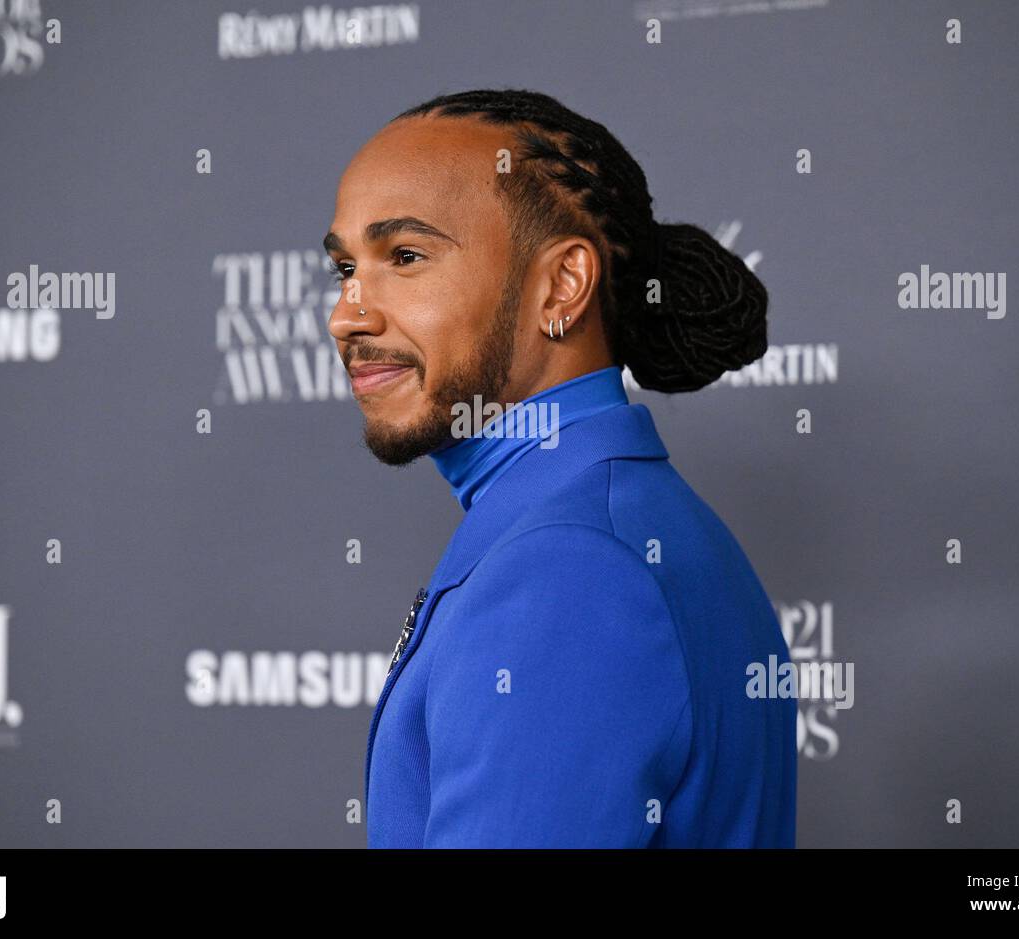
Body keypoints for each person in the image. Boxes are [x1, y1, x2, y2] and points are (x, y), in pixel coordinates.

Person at [324, 88, 796, 848]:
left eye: (405, 256)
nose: (347, 313)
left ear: (562, 286)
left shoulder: (567, 568)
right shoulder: (613, 520)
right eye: (346, 265)